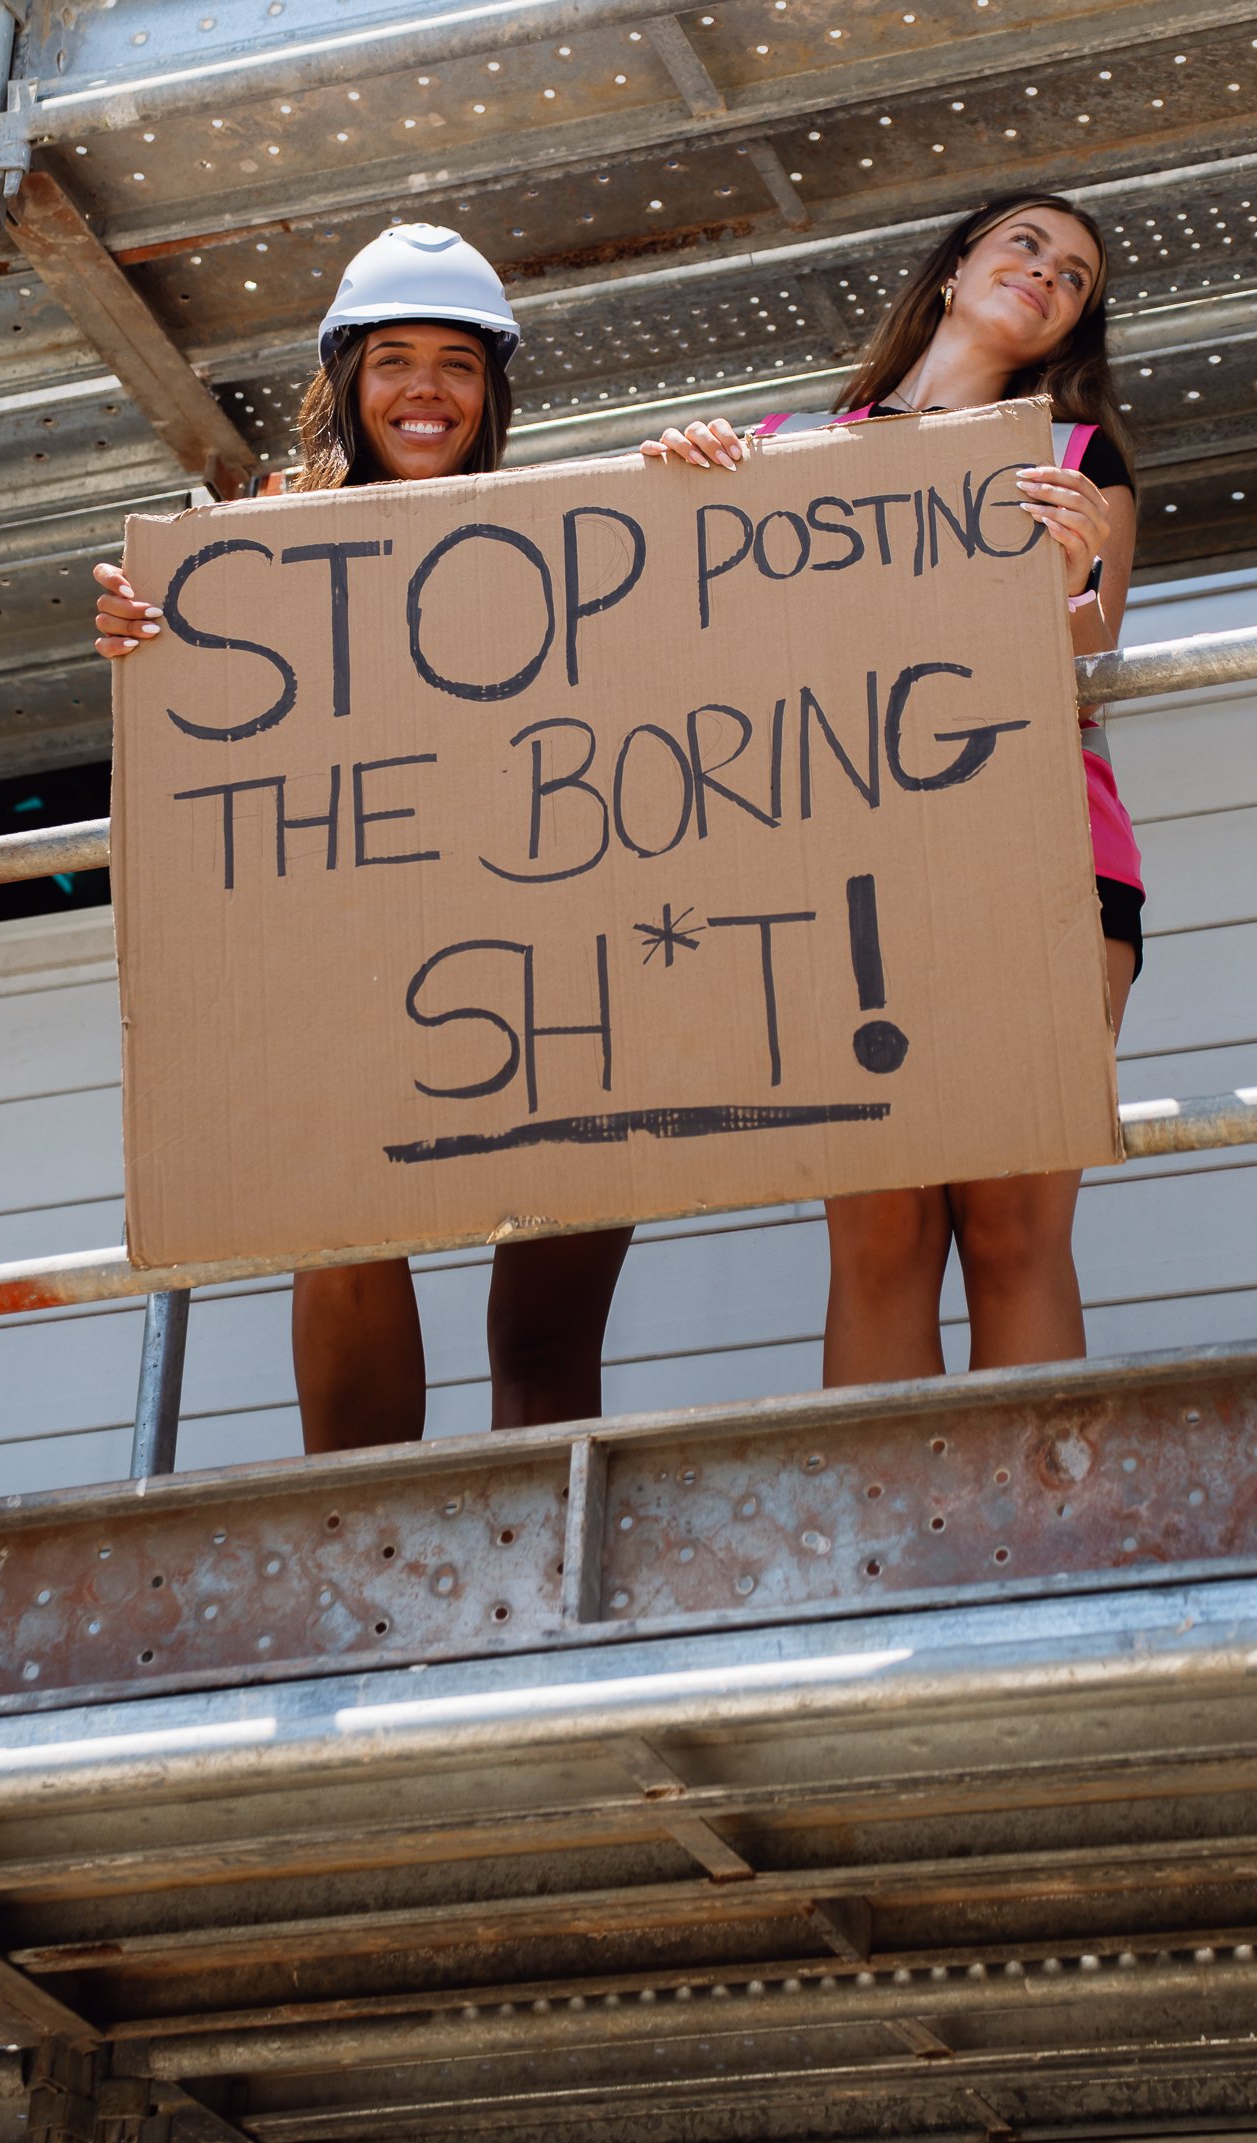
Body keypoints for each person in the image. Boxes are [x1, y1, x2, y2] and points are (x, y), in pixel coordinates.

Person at [92, 224, 634, 1456]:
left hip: (553, 935)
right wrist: (147, 637)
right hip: (343, 942)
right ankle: (367, 1551)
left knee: (553, 1315)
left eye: (458, 362)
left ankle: (541, 1561)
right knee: (345, 1243)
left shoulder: (571, 531)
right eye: (394, 359)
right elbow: (206, 737)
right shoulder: (262, 539)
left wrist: (700, 474)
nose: (426, 391)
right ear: (347, 378)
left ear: (492, 388)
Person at [641, 192, 1137, 1384]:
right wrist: (675, 492)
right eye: (1028, 243)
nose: (1049, 273)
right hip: (839, 868)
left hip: (1042, 856)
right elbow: (680, 646)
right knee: (879, 1236)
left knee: (1015, 1229)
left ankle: (1044, 1551)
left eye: (1076, 276)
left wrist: (1065, 579)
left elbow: (1096, 646)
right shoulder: (780, 450)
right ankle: (886, 1561)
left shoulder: (1074, 457)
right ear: (961, 261)